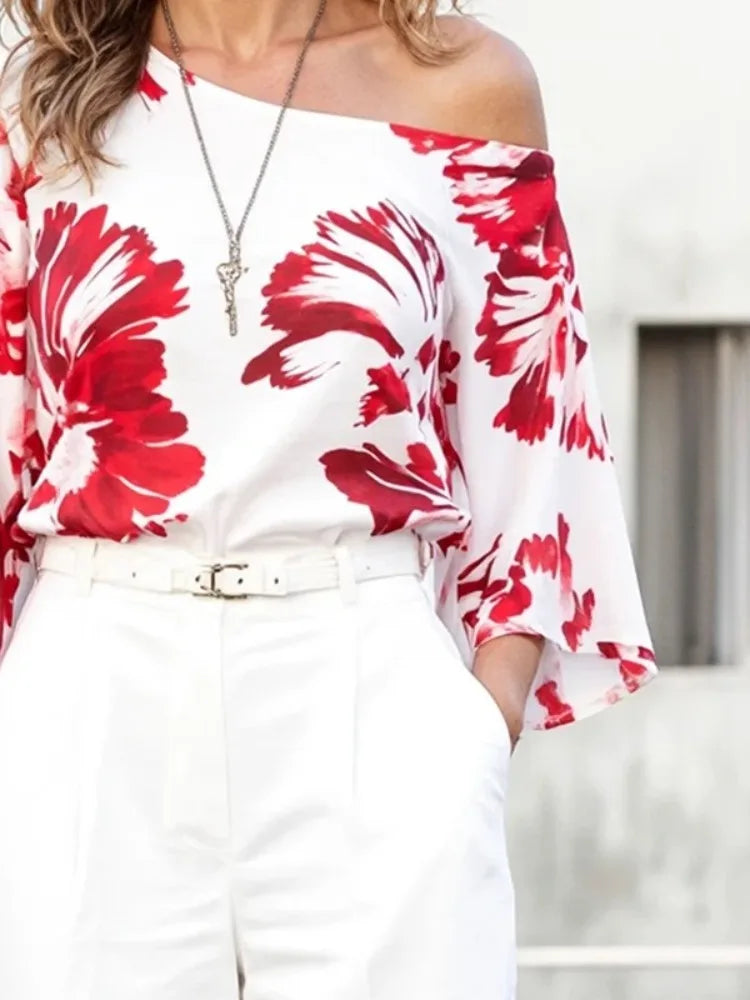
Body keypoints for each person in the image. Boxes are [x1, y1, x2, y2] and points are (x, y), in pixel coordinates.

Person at [0, 0, 657, 997]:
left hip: (367, 681)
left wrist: (481, 722)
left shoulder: (468, 88)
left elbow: (535, 434)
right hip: (89, 693)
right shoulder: (47, 102)